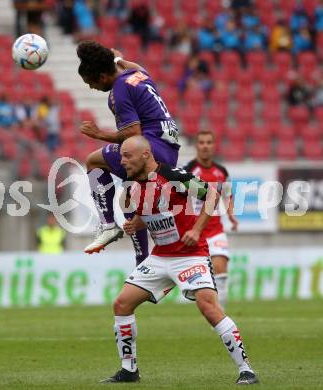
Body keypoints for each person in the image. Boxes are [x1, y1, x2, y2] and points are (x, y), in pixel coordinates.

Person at [100, 135, 258, 385]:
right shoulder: (133, 183)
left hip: (189, 256)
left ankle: (246, 369)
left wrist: (196, 230)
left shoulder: (175, 177)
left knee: (209, 309)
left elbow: (212, 196)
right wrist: (135, 223)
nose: (122, 161)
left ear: (145, 155)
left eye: (127, 156)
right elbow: (153, 212)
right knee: (121, 304)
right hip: (160, 257)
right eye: (121, 157)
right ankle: (129, 370)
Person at [76, 40, 180, 264]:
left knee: (93, 161)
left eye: (91, 83)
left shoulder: (118, 91)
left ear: (102, 77)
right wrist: (117, 59)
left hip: (151, 149)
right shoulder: (136, 74)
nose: (91, 88)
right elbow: (137, 66)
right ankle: (142, 260)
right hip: (169, 149)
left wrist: (99, 134)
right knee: (129, 195)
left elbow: (133, 133)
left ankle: (108, 225)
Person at [183, 130, 238, 309]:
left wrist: (231, 215)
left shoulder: (221, 172)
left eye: (208, 142)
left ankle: (220, 318)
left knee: (221, 273)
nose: (205, 146)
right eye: (201, 142)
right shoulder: (188, 171)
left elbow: (228, 195)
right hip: (193, 233)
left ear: (214, 146)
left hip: (215, 231)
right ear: (196, 146)